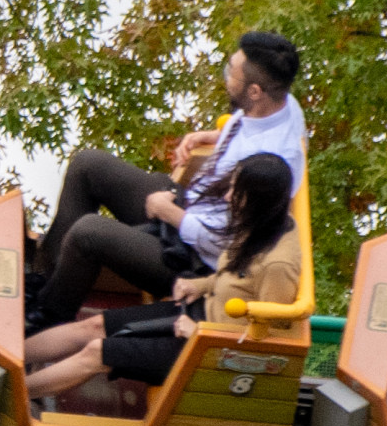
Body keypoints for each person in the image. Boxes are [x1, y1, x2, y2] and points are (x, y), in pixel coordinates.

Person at [25, 30, 308, 330]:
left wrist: (168, 213)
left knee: (88, 232)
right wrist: (211, 136)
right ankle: (45, 283)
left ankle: (49, 316)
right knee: (88, 165)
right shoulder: (282, 105)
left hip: (197, 258)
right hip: (192, 205)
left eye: (231, 73)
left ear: (254, 91)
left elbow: (230, 240)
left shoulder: (274, 160)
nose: (225, 77)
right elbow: (250, 130)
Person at [22, 153, 300, 412]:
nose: (227, 198)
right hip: (198, 314)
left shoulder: (278, 266)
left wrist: (201, 336)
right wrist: (200, 285)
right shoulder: (259, 224)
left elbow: (266, 345)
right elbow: (233, 276)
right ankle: (10, 357)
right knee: (93, 327)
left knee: (97, 353)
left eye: (236, 194)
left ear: (257, 202)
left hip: (207, 352)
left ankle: (14, 393)